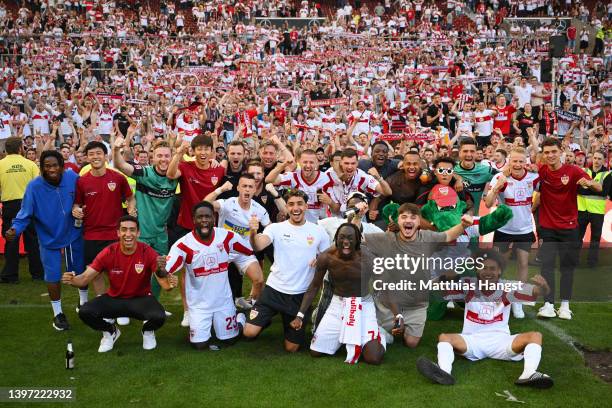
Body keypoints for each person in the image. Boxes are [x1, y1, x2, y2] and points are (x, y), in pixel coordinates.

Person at [416, 250, 554, 389]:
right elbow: (432, 287)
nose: (488, 272)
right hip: (472, 340)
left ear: (499, 271)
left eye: (492, 268)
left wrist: (543, 287)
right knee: (444, 337)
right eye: (484, 268)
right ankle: (444, 372)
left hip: (501, 342)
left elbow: (538, 292)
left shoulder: (508, 287)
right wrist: (445, 277)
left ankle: (529, 374)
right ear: (477, 269)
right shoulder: (467, 284)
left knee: (535, 336)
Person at [365, 203, 474, 348]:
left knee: (411, 343)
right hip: (389, 301)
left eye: (413, 217)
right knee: (382, 332)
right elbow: (358, 239)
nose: (408, 220)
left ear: (419, 222)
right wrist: (357, 217)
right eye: (404, 217)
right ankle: (386, 326)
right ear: (398, 221)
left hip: (416, 304)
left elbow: (448, 235)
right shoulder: (386, 238)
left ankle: (399, 327)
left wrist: (463, 225)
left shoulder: (427, 237)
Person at [62, 216, 177, 352]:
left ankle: (147, 332)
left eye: (132, 230)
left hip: (141, 299)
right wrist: (72, 280)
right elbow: (85, 278)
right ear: (118, 232)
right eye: (124, 230)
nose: (128, 234)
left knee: (159, 316)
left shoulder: (147, 251)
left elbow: (164, 283)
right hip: (114, 299)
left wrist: (170, 283)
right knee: (85, 312)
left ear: (138, 233)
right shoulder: (108, 252)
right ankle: (111, 331)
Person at [165, 202, 263, 349]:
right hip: (199, 306)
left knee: (229, 340)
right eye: (200, 217)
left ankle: (240, 317)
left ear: (214, 218)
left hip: (223, 302)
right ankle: (204, 324)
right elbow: (166, 269)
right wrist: (161, 269)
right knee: (199, 345)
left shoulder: (227, 237)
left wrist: (254, 235)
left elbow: (250, 250)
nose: (204, 220)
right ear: (193, 219)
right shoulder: (183, 245)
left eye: (208, 216)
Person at [6, 150, 84, 330]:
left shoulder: (73, 177)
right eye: (47, 166)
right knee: (53, 275)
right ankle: (58, 314)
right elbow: (24, 213)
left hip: (74, 232)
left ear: (62, 167)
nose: (52, 169)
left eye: (55, 165)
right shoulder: (34, 187)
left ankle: (84, 302)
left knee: (79, 269)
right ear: (41, 168)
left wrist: (80, 207)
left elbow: (84, 197)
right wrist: (14, 229)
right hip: (48, 237)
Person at [244, 189, 330, 352]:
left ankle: (286, 319)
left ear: (306, 206)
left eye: (299, 204)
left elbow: (328, 256)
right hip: (274, 290)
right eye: (291, 204)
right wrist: (253, 232)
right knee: (249, 333)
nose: (295, 208)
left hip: (300, 296)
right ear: (286, 207)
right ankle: (264, 319)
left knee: (291, 348)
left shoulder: (318, 231)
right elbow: (258, 245)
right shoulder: (275, 228)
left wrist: (320, 259)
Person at [290, 223, 385, 365]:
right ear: (335, 239)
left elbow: (383, 286)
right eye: (341, 238)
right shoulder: (326, 257)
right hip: (337, 303)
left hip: (363, 304)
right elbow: (314, 286)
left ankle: (379, 335)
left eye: (350, 238)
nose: (345, 242)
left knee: (373, 358)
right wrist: (300, 315)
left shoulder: (368, 258)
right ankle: (345, 332)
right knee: (316, 352)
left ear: (358, 240)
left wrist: (398, 315)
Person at [536, 138, 601, 320]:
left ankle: (565, 306)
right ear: (543, 154)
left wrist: (589, 184)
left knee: (567, 268)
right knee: (547, 267)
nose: (550, 155)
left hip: (569, 228)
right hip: (548, 228)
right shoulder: (542, 170)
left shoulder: (572, 171)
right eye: (546, 152)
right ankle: (548, 304)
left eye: (553, 152)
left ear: (561, 151)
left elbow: (599, 186)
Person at [112, 137, 178, 301]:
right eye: (159, 156)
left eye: (166, 156)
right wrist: (115, 150)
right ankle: (125, 307)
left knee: (160, 270)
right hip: (142, 234)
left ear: (171, 157)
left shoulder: (176, 175)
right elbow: (120, 165)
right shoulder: (144, 173)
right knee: (133, 270)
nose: (163, 159)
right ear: (152, 157)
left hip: (161, 234)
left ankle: (152, 303)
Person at [72, 141, 135, 313]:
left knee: (118, 272)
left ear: (105, 156)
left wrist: (131, 208)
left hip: (115, 234)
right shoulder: (82, 181)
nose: (95, 157)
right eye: (91, 154)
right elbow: (77, 204)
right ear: (86, 157)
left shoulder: (117, 177)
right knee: (96, 274)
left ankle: (122, 307)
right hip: (91, 234)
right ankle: (104, 307)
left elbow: (130, 198)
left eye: (98, 153)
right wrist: (76, 211)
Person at [485, 147, 540, 319]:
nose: (517, 164)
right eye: (514, 161)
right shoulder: (500, 177)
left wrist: (534, 205)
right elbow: (487, 204)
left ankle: (518, 301)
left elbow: (545, 190)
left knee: (523, 263)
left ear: (526, 162)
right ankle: (495, 298)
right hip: (504, 229)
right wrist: (496, 188)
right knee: (498, 265)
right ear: (509, 161)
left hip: (524, 229)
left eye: (521, 161)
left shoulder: (533, 177)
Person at [204, 173, 268, 301]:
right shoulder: (227, 203)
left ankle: (252, 304)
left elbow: (271, 228)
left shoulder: (259, 210)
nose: (247, 189)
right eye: (244, 186)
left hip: (243, 251)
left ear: (255, 190)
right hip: (222, 249)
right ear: (238, 188)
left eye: (250, 186)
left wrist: (262, 234)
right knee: (211, 282)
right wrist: (220, 189)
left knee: (259, 280)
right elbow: (204, 205)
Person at [0, 137, 43, 283]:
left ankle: (10, 276)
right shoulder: (30, 164)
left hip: (10, 206)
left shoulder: (1, 164)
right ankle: (37, 274)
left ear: (6, 149)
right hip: (29, 205)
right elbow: (39, 187)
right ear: (20, 148)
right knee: (32, 240)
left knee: (11, 241)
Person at [577, 151, 611, 268]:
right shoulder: (584, 171)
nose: (596, 160)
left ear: (604, 161)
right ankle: (574, 260)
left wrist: (588, 185)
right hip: (582, 210)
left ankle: (592, 262)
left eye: (599, 159)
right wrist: (596, 188)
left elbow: (604, 192)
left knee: (595, 239)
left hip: (597, 212)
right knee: (577, 236)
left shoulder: (607, 174)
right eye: (595, 158)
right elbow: (578, 190)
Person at [454, 138, 497, 215]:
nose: (469, 154)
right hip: (452, 222)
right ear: (459, 153)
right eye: (465, 151)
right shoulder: (451, 170)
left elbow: (504, 175)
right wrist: (457, 177)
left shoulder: (485, 170)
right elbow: (432, 174)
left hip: (473, 220)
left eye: (472, 151)